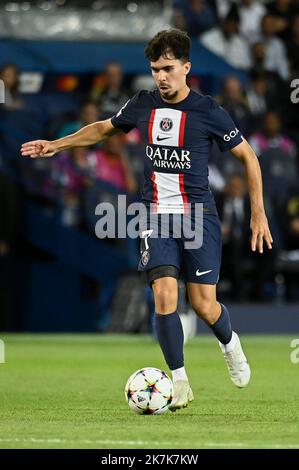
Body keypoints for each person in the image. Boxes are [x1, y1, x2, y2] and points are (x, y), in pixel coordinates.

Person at [21, 29, 273, 411]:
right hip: (154, 213)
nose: (162, 77)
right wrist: (56, 144)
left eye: (169, 69)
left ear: (186, 68)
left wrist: (258, 212)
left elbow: (249, 158)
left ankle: (230, 344)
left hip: (198, 216)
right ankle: (180, 381)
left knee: (205, 306)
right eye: (156, 69)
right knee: (164, 294)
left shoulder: (209, 111)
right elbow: (102, 129)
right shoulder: (142, 104)